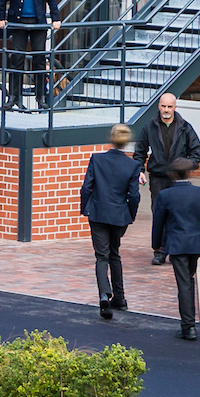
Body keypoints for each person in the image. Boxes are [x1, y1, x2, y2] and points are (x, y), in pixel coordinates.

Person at [78, 123, 142, 320]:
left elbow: (86, 188)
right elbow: (134, 196)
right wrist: (130, 215)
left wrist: (85, 209)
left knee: (101, 256)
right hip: (119, 215)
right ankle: (120, 297)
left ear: (111, 139)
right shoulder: (132, 166)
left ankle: (104, 295)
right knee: (115, 254)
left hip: (98, 213)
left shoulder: (97, 160)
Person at [135, 94, 200, 264]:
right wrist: (140, 170)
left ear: (175, 107)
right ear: (159, 106)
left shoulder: (185, 127)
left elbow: (196, 152)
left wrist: (183, 166)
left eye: (169, 107)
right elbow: (140, 151)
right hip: (158, 178)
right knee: (159, 215)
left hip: (177, 180)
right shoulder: (149, 126)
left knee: (178, 214)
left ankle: (176, 250)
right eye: (163, 106)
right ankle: (159, 251)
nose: (166, 110)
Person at [154, 158, 200, 340]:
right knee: (189, 279)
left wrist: (156, 244)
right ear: (190, 173)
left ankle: (188, 326)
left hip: (176, 243)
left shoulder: (165, 195)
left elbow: (159, 222)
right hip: (195, 243)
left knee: (184, 284)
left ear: (173, 174)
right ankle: (189, 324)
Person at [0, 0, 58, 110]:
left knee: (39, 60)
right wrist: (0, 17)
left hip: (38, 23)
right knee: (16, 59)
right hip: (18, 23)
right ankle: (13, 96)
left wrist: (56, 19)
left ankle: (41, 97)